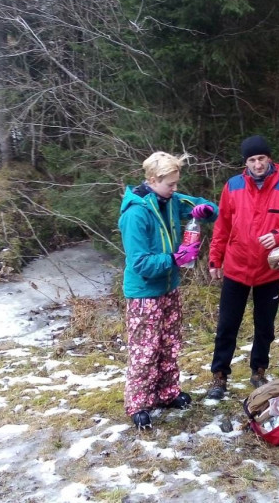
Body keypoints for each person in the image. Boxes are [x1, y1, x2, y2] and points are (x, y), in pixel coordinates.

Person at [118, 151, 218, 429]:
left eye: (177, 183)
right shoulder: (136, 213)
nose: (176, 189)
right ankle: (139, 403)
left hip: (169, 287)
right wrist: (175, 258)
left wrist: (205, 210)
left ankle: (167, 392)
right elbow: (140, 263)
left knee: (169, 344)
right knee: (146, 350)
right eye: (170, 184)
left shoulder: (171, 201)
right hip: (144, 294)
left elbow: (208, 207)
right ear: (152, 179)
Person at [206, 135, 279, 399]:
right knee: (227, 324)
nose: (258, 164)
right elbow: (222, 226)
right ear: (246, 162)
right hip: (236, 266)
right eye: (252, 160)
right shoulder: (233, 185)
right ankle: (219, 376)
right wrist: (215, 259)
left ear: (269, 158)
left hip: (269, 268)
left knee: (265, 325)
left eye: (261, 158)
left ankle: (259, 371)